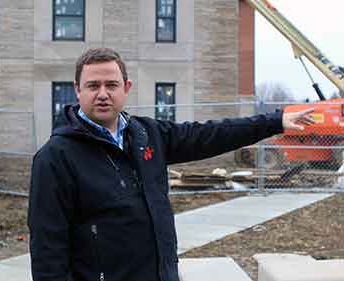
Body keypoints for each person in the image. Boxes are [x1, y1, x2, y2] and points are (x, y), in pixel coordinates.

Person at [28, 48, 314, 281]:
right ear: (77, 90)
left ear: (126, 88)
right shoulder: (55, 158)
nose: (103, 93)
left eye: (111, 85)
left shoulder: (146, 134)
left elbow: (211, 135)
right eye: (93, 85)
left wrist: (274, 121)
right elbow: (47, 252)